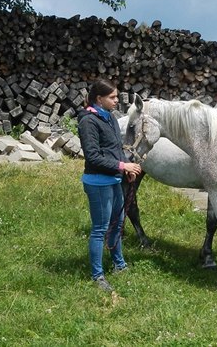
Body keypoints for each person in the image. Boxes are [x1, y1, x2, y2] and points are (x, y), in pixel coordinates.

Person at [77, 79, 142, 292]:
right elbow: (93, 157)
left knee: (117, 223)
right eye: (112, 97)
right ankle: (97, 275)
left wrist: (124, 173)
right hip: (97, 183)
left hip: (114, 180)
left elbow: (115, 149)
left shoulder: (111, 118)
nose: (117, 101)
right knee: (99, 229)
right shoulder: (88, 122)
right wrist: (123, 165)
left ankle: (119, 264)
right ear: (99, 99)